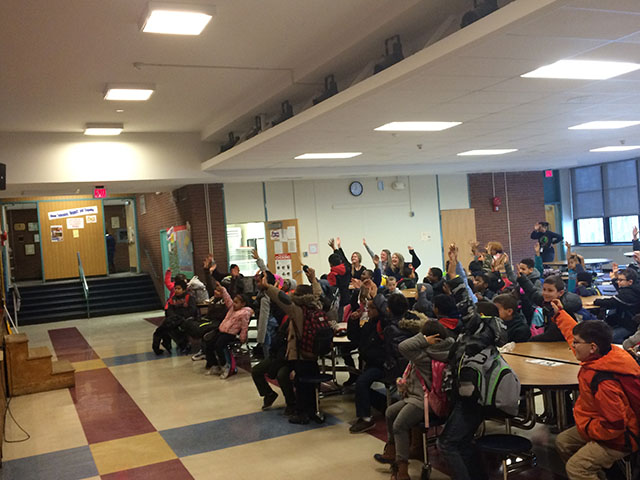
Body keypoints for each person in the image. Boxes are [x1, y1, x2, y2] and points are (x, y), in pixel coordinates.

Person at [437, 245, 508, 480]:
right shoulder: (484, 333)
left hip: (472, 398)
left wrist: (454, 268)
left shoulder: (479, 329)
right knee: (463, 442)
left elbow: (462, 298)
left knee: (447, 443)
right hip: (472, 393)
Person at [550, 299, 640, 480]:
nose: (572, 346)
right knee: (562, 442)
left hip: (620, 438)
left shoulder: (604, 381)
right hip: (599, 424)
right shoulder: (604, 354)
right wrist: (560, 314)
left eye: (576, 343)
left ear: (592, 348)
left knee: (577, 468)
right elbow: (573, 334)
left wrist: (589, 429)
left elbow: (615, 424)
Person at [373, 320, 454, 480]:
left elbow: (403, 346)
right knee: (390, 412)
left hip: (424, 401)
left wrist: (423, 340)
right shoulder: (447, 350)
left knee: (399, 425)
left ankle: (401, 468)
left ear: (428, 337)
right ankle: (392, 450)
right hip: (425, 397)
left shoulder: (425, 356)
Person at [262, 266, 324, 424]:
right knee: (310, 382)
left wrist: (267, 287)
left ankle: (302, 413)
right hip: (313, 352)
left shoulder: (297, 310)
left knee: (301, 383)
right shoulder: (316, 304)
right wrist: (313, 279)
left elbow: (281, 299)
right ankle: (312, 410)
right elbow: (318, 293)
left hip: (302, 353)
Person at [348, 288, 388, 433]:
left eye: (372, 308)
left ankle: (366, 418)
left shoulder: (384, 324)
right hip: (371, 362)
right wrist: (353, 321)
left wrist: (375, 295)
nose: (368, 310)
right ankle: (384, 405)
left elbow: (385, 312)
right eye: (368, 308)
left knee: (362, 383)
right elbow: (354, 338)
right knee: (361, 385)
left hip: (382, 364)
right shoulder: (369, 324)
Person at [203, 285, 252, 379]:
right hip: (222, 330)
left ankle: (225, 365)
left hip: (230, 334)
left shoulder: (244, 313)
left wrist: (242, 337)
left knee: (219, 346)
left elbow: (244, 326)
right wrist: (223, 289)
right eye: (234, 301)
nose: (234, 304)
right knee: (208, 343)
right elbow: (227, 298)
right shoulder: (232, 308)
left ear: (243, 304)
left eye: (237, 302)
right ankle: (214, 365)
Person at [518, 274, 582, 342]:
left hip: (564, 344)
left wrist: (531, 340)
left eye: (550, 290)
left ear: (560, 293)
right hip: (552, 343)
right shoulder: (547, 302)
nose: (545, 293)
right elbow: (533, 293)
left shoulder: (560, 309)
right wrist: (522, 279)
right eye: (544, 289)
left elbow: (552, 335)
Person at [594, 267, 640, 344]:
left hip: (629, 326)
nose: (618, 282)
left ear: (630, 282)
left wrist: (596, 301)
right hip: (624, 321)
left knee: (604, 339)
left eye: (621, 280)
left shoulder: (630, 295)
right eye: (617, 279)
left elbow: (611, 302)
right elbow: (621, 290)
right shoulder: (633, 289)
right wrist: (613, 279)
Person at [153, 278, 198, 355]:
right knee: (161, 329)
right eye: (175, 288)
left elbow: (192, 311)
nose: (176, 290)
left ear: (184, 290)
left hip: (186, 319)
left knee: (172, 329)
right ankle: (156, 347)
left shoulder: (189, 298)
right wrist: (174, 317)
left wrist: (179, 316)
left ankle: (182, 345)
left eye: (179, 289)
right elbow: (169, 310)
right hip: (174, 319)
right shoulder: (172, 299)